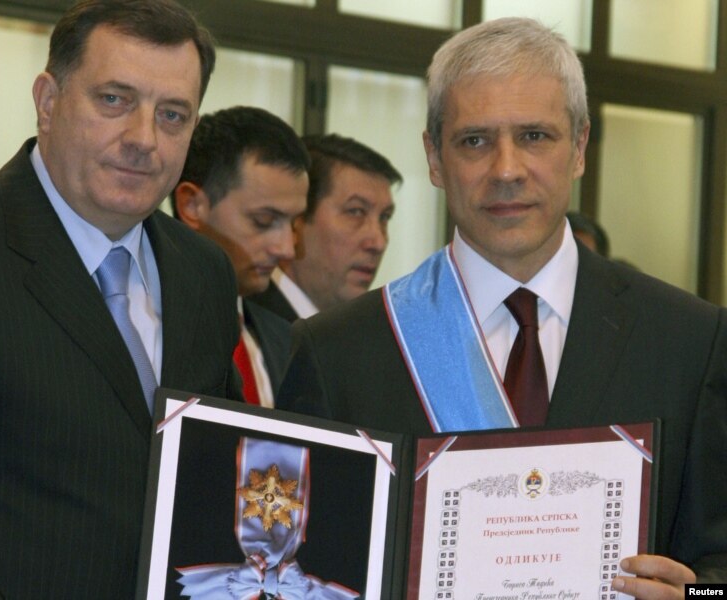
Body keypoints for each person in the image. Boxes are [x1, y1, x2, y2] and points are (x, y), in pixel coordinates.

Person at [278, 17, 727, 598]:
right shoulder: (337, 351)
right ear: (434, 158)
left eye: (535, 136)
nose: (507, 170)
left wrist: (698, 596)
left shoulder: (690, 339)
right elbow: (295, 576)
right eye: (475, 141)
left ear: (580, 148)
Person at [0, 1, 241, 598]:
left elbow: (215, 477)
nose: (144, 139)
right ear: (48, 101)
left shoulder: (205, 272)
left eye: (172, 115)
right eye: (114, 100)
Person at [172, 106, 309, 406]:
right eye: (263, 221)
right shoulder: (145, 324)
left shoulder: (288, 342)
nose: (286, 249)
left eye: (293, 224)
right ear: (192, 205)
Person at [251, 133, 401, 321]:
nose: (378, 243)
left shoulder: (361, 330)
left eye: (384, 217)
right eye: (356, 212)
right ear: (296, 222)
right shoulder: (244, 324)